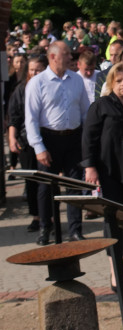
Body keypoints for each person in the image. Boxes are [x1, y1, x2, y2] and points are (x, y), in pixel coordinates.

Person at [82, 61, 123, 289]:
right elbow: (88, 137)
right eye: (118, 80)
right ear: (111, 82)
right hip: (109, 171)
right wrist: (90, 167)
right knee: (113, 221)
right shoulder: (101, 106)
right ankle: (114, 273)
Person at [25, 41, 93, 245]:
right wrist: (39, 148)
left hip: (73, 139)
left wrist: (86, 141)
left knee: (74, 186)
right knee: (46, 187)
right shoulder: (37, 83)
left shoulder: (76, 81)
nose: (71, 58)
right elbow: (31, 119)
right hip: (49, 139)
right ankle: (46, 228)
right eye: (66, 54)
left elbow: (85, 112)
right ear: (53, 56)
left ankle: (75, 229)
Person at [7, 54, 47, 233]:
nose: (34, 72)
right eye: (32, 69)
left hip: (47, 139)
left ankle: (49, 216)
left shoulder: (49, 87)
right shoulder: (20, 89)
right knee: (31, 180)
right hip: (26, 140)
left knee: (47, 181)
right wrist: (12, 138)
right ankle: (36, 217)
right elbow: (13, 117)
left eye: (38, 69)